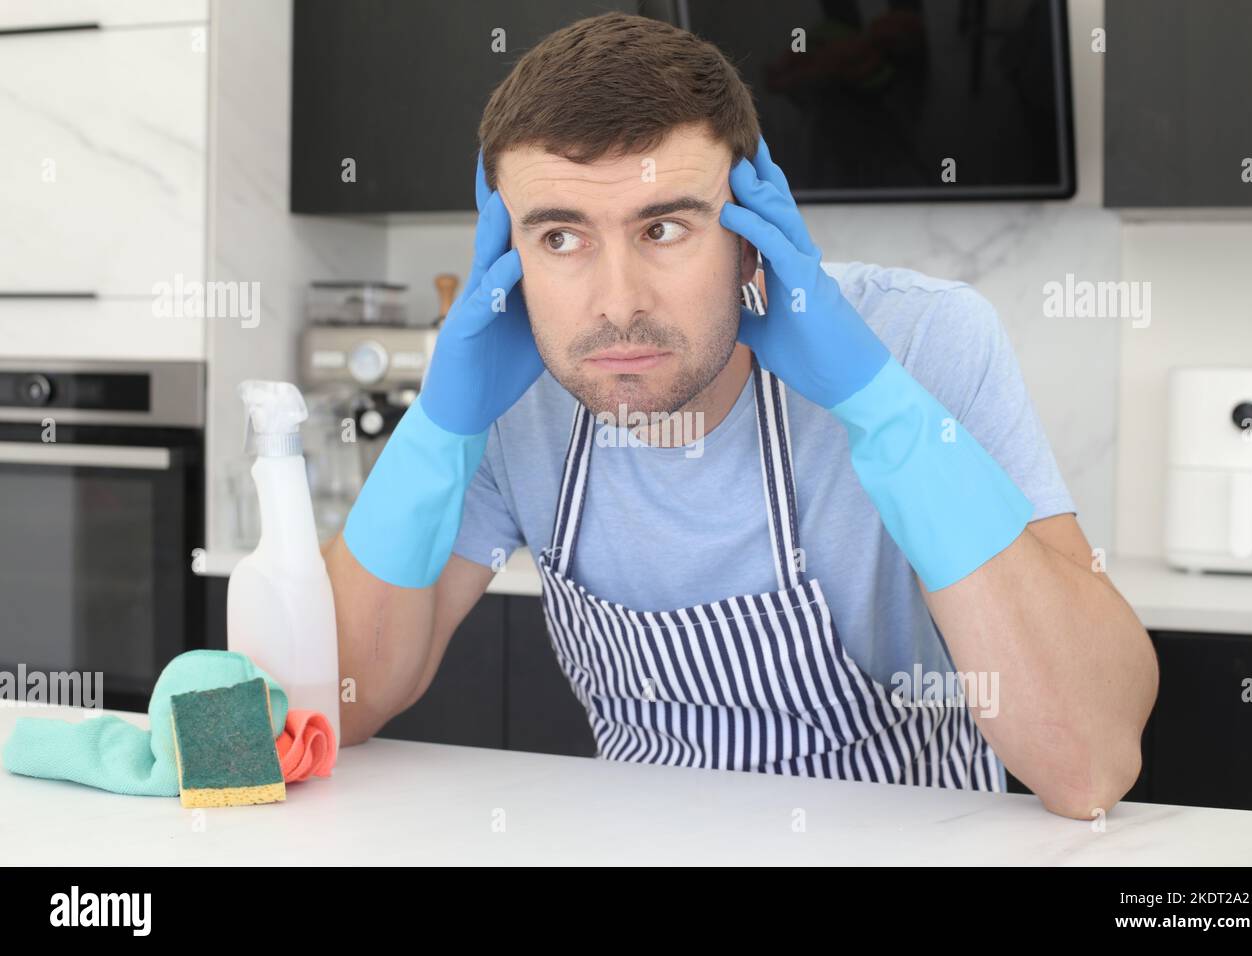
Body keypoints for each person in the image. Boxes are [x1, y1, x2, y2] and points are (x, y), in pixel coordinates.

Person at [326, 12, 1157, 820]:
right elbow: (336, 704)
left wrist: (880, 404)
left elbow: (1089, 763)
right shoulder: (517, 390)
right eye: (561, 239)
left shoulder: (922, 339)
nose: (617, 306)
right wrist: (440, 427)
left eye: (664, 227)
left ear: (751, 231)